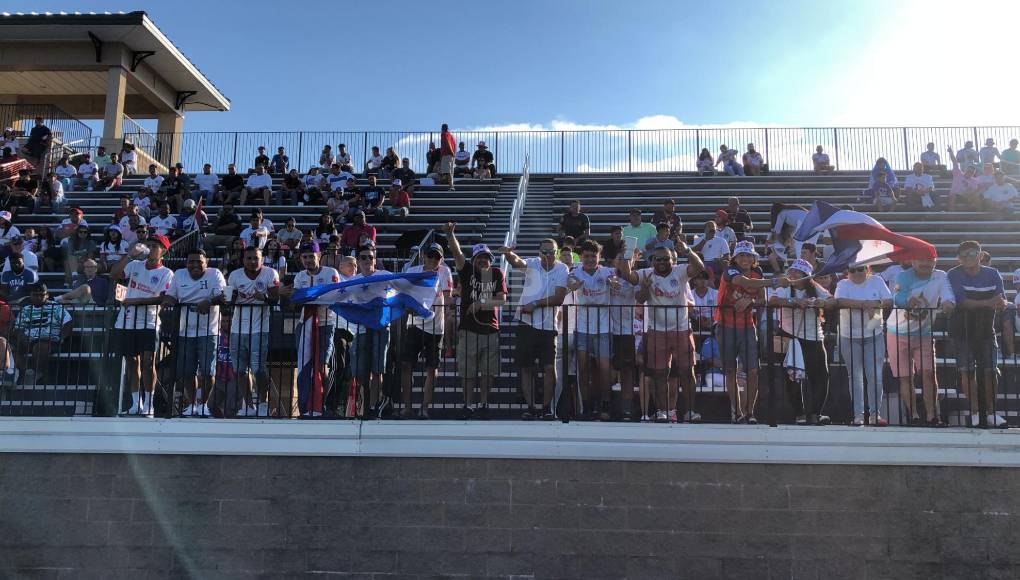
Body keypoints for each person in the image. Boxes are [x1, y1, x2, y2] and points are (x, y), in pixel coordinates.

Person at [619, 240, 706, 423]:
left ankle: (690, 411)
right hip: (657, 331)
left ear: (671, 260)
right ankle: (662, 411)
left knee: (686, 371)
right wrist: (627, 254)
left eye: (666, 259)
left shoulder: (680, 271)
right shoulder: (647, 274)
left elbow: (699, 267)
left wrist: (688, 251)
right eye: (658, 259)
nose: (662, 262)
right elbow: (627, 277)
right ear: (652, 261)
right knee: (659, 373)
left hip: (682, 329)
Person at [716, 241, 785, 423]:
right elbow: (744, 282)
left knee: (753, 370)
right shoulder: (729, 271)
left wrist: (751, 302)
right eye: (741, 255)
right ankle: (736, 411)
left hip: (747, 326)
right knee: (730, 370)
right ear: (735, 258)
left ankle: (750, 412)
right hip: (725, 325)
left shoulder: (758, 273)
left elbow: (762, 301)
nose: (745, 259)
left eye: (748, 255)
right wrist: (775, 281)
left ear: (754, 258)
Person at [500, 239, 569, 420]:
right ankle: (531, 407)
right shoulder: (533, 263)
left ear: (556, 252)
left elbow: (559, 298)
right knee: (526, 368)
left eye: (551, 252)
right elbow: (517, 262)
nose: (547, 255)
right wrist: (508, 253)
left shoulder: (562, 268)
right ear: (539, 252)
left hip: (548, 326)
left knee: (548, 367)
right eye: (544, 252)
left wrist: (536, 304)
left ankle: (547, 409)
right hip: (526, 323)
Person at [444, 222, 506, 419]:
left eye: (485, 257)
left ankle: (483, 402)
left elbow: (502, 299)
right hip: (469, 329)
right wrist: (450, 235)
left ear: (490, 258)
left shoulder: (496, 273)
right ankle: (468, 404)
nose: (482, 261)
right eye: (479, 257)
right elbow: (457, 253)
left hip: (490, 328)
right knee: (468, 370)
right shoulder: (467, 270)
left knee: (488, 371)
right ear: (474, 259)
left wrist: (481, 303)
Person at [887, 250, 954, 426]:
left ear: (935, 261)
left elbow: (948, 295)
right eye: (921, 259)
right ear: (912, 261)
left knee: (929, 373)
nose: (926, 263)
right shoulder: (903, 276)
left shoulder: (941, 275)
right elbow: (898, 297)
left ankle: (933, 416)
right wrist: (908, 301)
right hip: (897, 332)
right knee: (905, 377)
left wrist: (949, 303)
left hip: (924, 334)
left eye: (930, 260)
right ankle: (913, 416)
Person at [946, 241, 1008, 427]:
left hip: (987, 331)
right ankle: (974, 412)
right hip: (962, 331)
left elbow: (1001, 301)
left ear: (980, 255)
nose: (968, 258)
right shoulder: (953, 274)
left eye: (972, 254)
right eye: (964, 255)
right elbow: (962, 302)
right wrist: (990, 302)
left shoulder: (993, 273)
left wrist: (995, 303)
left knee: (990, 372)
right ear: (959, 258)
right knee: (967, 372)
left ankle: (991, 412)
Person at [111, 235, 174, 416]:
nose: (152, 248)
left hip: (149, 321)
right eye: (150, 245)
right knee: (132, 362)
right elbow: (114, 275)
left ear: (164, 250)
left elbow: (163, 298)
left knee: (148, 363)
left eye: (156, 246)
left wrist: (136, 301)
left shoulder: (166, 273)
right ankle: (135, 403)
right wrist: (129, 255)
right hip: (126, 320)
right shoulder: (135, 265)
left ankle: (149, 403)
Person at [767, 258, 832, 426]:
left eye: (797, 272)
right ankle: (799, 414)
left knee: (821, 377)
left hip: (814, 338)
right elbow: (772, 301)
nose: (792, 274)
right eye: (791, 270)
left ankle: (816, 414)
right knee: (792, 377)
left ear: (806, 276)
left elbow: (832, 300)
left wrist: (821, 302)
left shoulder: (815, 288)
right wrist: (793, 301)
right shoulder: (784, 287)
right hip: (788, 336)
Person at [163, 249, 226, 417]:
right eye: (191, 261)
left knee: (207, 371)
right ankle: (192, 404)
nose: (195, 264)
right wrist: (168, 302)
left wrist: (209, 301)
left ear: (206, 262)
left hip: (209, 331)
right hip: (184, 331)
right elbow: (171, 296)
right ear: (186, 263)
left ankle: (204, 404)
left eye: (199, 261)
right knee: (186, 372)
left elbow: (224, 296)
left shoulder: (215, 274)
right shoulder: (179, 274)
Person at [284, 244, 341, 417]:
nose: (308, 260)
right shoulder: (300, 276)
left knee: (323, 366)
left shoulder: (331, 272)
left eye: (311, 256)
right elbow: (297, 299)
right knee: (304, 366)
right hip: (305, 323)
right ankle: (305, 407)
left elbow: (333, 295)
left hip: (326, 323)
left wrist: (309, 296)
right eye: (305, 257)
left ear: (319, 255)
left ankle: (323, 404)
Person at [567, 239, 620, 421]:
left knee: (604, 368)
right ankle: (586, 406)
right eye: (587, 256)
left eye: (593, 256)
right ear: (581, 257)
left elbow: (615, 282)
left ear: (599, 256)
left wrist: (613, 283)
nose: (590, 259)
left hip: (603, 328)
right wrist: (573, 286)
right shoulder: (575, 272)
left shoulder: (607, 272)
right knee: (583, 369)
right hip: (582, 327)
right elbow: (571, 284)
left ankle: (605, 403)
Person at [835, 265, 893, 426]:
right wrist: (865, 304)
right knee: (855, 376)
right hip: (849, 336)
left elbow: (888, 301)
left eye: (860, 269)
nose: (856, 273)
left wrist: (876, 303)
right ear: (847, 272)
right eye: (852, 270)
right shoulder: (843, 284)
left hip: (874, 333)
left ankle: (875, 414)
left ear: (867, 269)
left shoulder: (877, 280)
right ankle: (858, 415)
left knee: (875, 375)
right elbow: (840, 301)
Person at [399, 243, 453, 419]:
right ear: (424, 256)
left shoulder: (445, 272)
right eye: (430, 255)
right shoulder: (413, 270)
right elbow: (402, 294)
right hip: (414, 324)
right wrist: (409, 308)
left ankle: (424, 408)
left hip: (436, 327)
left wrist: (447, 331)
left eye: (437, 256)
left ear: (441, 259)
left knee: (432, 368)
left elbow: (448, 298)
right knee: (407, 365)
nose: (433, 259)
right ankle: (407, 407)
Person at [226, 247, 281, 417]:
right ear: (243, 260)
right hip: (237, 328)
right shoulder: (235, 275)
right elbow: (230, 300)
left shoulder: (270, 273)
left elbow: (275, 299)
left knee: (258, 369)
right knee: (240, 369)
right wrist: (230, 297)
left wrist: (263, 298)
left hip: (259, 328)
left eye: (255, 258)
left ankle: (263, 404)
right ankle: (248, 405)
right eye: (248, 258)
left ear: (262, 259)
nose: (252, 261)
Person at [348, 246, 392, 418]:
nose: (367, 260)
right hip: (360, 331)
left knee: (377, 370)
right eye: (363, 257)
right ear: (358, 261)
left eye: (370, 257)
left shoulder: (385, 276)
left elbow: (405, 284)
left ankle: (373, 406)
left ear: (375, 260)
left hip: (380, 328)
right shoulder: (354, 280)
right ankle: (361, 405)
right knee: (358, 371)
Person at [12, 283, 71, 386]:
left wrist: (62, 337)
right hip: (28, 340)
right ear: (30, 295)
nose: (39, 297)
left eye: (42, 295)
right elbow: (18, 328)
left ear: (47, 295)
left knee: (40, 347)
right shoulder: (25, 310)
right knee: (10, 348)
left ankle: (36, 374)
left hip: (49, 340)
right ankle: (25, 371)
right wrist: (23, 338)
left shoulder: (56, 307)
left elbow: (68, 322)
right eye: (35, 295)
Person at [947, 146, 981, 211]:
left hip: (965, 195)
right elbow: (954, 162)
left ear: (973, 174)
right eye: (969, 171)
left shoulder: (974, 181)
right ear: (966, 170)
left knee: (975, 197)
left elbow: (973, 190)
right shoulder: (958, 174)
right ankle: (951, 214)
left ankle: (977, 214)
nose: (969, 172)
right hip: (956, 195)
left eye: (971, 172)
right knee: (952, 196)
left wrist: (969, 192)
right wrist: (951, 152)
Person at [440, 124, 457, 190]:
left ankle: (451, 187)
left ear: (443, 128)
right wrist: (453, 153)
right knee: (450, 172)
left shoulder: (444, 134)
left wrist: (451, 152)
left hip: (447, 154)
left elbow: (447, 143)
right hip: (451, 156)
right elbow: (454, 145)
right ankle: (451, 186)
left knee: (447, 172)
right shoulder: (451, 135)